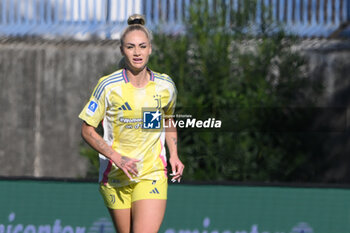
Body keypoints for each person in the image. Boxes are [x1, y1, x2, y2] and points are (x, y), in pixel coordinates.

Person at [79, 14, 184, 233]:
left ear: (150, 49)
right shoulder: (108, 86)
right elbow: (87, 130)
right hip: (115, 175)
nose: (137, 52)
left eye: (142, 46)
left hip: (152, 172)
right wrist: (116, 157)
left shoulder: (164, 86)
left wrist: (174, 154)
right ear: (122, 50)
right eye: (131, 47)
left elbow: (167, 119)